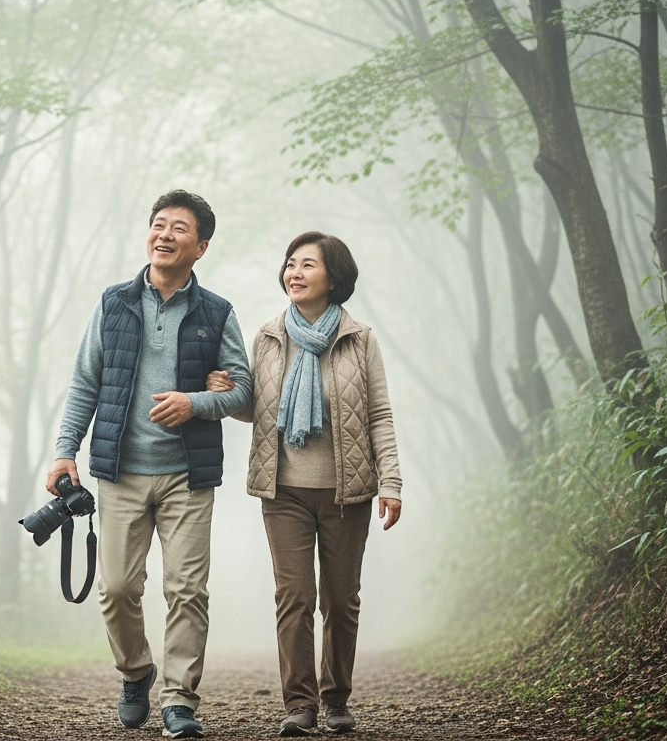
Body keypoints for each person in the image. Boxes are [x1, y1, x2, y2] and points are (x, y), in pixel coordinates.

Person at [48, 189, 252, 739]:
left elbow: (242, 390)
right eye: (159, 224)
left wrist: (196, 403)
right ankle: (136, 671)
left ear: (200, 247)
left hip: (189, 474)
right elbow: (85, 382)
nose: (165, 234)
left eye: (179, 228)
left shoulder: (217, 313)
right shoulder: (113, 303)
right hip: (120, 470)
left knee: (187, 590)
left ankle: (179, 700)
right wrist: (65, 451)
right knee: (116, 588)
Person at [206, 231, 402, 736]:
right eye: (290, 263)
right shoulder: (269, 337)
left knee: (341, 599)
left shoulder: (359, 339)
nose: (294, 272)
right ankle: (300, 704)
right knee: (294, 597)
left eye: (307, 264)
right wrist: (226, 392)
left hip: (347, 492)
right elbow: (258, 408)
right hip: (284, 491)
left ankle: (335, 700)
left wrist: (392, 482)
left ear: (333, 277)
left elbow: (378, 414)